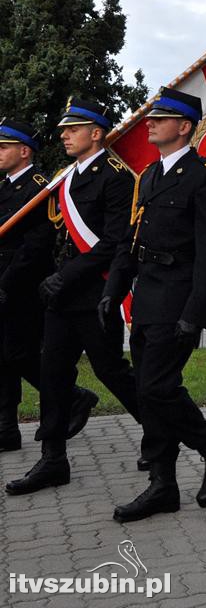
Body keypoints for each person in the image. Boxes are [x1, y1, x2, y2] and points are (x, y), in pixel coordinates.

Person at [101, 87, 206, 522]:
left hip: (178, 296)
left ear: (183, 126)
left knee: (155, 388)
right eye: (150, 119)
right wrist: (115, 286)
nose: (149, 124)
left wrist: (195, 312)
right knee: (150, 391)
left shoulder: (205, 175)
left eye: (159, 119)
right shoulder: (150, 176)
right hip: (147, 295)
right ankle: (162, 485)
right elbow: (133, 238)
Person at [6, 99, 147, 496]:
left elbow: (113, 242)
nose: (64, 135)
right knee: (52, 373)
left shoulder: (117, 177)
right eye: (63, 130)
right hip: (61, 294)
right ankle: (53, 460)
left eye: (73, 129)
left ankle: (157, 433)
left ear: (97, 133)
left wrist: (64, 276)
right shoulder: (65, 177)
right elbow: (57, 235)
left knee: (110, 370)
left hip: (94, 292)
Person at [0, 119, 96, 453]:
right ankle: (7, 428)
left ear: (24, 151)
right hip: (4, 279)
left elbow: (36, 243)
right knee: (4, 357)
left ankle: (73, 397)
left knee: (19, 353)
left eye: (4, 146)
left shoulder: (39, 188)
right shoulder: (5, 187)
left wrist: (7, 282)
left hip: (23, 284)